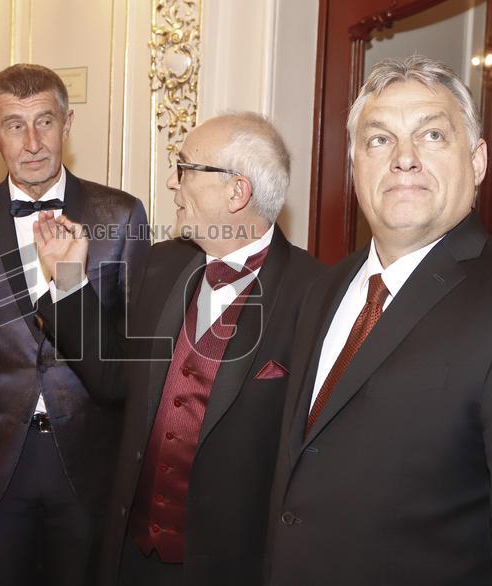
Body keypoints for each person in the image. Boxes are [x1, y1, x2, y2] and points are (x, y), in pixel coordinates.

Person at [266, 55, 492, 585]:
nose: (404, 159)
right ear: (354, 166)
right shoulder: (322, 290)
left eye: (432, 135)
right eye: (379, 140)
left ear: (478, 160)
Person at [34, 112, 324, 586]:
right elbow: (112, 379)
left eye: (185, 167)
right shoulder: (162, 264)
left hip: (230, 566)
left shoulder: (317, 295)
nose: (171, 181)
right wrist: (68, 277)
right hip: (131, 552)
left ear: (237, 192)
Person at [0, 63, 150, 586]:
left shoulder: (119, 215)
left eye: (45, 122)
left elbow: (134, 350)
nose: (32, 142)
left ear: (67, 124)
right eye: (14, 124)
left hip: (90, 458)